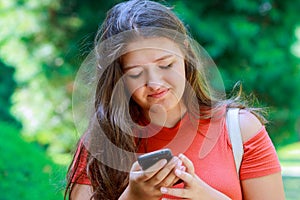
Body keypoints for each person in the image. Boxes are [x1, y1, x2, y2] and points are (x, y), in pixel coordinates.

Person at [64, 0, 285, 199]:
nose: (155, 83)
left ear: (185, 53)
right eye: (135, 73)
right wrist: (133, 197)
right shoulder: (99, 145)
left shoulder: (240, 130)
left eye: (166, 65)